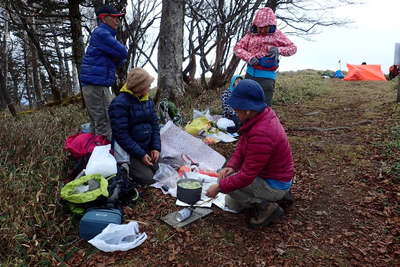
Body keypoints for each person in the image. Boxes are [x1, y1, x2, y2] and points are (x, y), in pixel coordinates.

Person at [206, 79, 294, 227]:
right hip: (274, 175)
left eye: (237, 109)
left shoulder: (262, 133)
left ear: (246, 109)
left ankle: (267, 206)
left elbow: (247, 176)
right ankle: (276, 197)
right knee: (231, 198)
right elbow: (242, 146)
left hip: (275, 182)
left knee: (229, 188)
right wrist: (232, 165)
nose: (235, 112)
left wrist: (220, 187)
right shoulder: (258, 116)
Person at [80, 5, 128, 140]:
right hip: (96, 85)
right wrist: (118, 56)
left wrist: (117, 57)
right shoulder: (102, 34)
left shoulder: (103, 34)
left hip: (95, 84)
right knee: (104, 121)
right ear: (104, 18)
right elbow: (123, 52)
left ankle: (94, 153)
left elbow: (119, 58)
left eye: (119, 18)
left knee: (98, 122)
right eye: (115, 18)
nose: (118, 21)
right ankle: (103, 155)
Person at [234, 7, 297, 106]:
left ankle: (264, 121)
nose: (262, 30)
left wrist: (278, 50)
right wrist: (249, 57)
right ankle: (246, 122)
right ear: (255, 24)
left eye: (265, 27)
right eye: (260, 27)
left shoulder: (277, 35)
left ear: (271, 25)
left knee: (263, 107)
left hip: (267, 79)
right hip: (250, 76)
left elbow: (293, 48)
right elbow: (237, 48)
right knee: (247, 105)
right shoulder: (251, 35)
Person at [109, 68, 161, 185]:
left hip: (146, 147)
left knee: (160, 170)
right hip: (130, 152)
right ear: (139, 87)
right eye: (148, 85)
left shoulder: (148, 101)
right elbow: (121, 135)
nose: (150, 87)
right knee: (149, 179)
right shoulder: (118, 104)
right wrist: (141, 154)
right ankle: (125, 168)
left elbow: (155, 125)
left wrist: (156, 148)